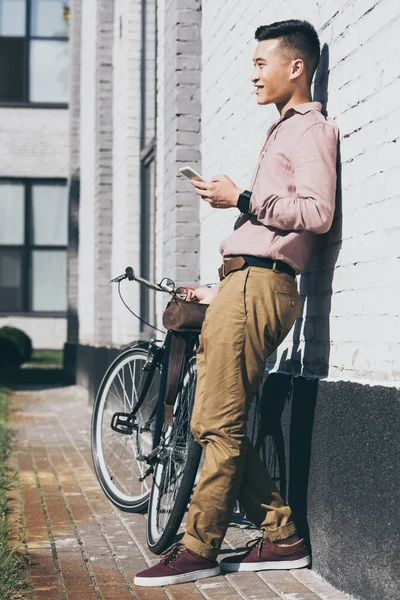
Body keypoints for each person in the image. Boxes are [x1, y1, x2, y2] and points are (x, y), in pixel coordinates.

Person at [134, 19, 339, 587]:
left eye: (260, 63)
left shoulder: (312, 130)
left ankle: (199, 546)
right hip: (241, 284)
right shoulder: (280, 131)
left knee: (217, 422)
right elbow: (265, 237)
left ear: (295, 67)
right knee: (209, 421)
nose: (252, 74)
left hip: (261, 286)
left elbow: (317, 214)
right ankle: (280, 536)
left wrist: (241, 197)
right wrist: (219, 287)